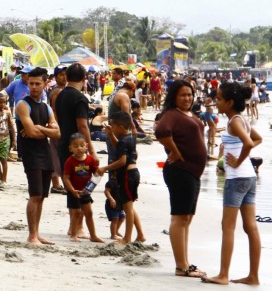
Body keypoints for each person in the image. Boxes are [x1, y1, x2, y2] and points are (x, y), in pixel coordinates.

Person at [202, 82, 262, 285]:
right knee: (250, 227)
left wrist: (237, 160)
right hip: (249, 178)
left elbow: (249, 143)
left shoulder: (234, 122)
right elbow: (258, 138)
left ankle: (223, 274)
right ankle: (253, 276)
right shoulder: (241, 120)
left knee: (227, 226)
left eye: (219, 99)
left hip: (236, 178)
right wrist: (242, 157)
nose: (215, 102)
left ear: (229, 102)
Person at [154, 79, 208, 278]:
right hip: (180, 171)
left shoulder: (189, 114)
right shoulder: (172, 114)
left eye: (189, 94)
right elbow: (161, 132)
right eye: (183, 95)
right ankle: (180, 266)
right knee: (179, 218)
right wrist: (174, 151)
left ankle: (185, 263)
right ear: (174, 97)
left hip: (192, 172)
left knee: (186, 219)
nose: (187, 98)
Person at [16, 67, 60, 245]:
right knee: (34, 195)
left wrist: (40, 128)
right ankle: (32, 235)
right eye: (31, 83)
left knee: (42, 196)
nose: (33, 87)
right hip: (31, 154)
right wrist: (45, 129)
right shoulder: (22, 105)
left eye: (37, 84)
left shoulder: (46, 107)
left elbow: (57, 133)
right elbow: (31, 132)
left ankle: (37, 232)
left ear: (45, 84)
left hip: (45, 153)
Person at [97, 112, 145, 245]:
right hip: (133, 173)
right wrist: (111, 134)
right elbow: (119, 146)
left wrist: (105, 168)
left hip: (127, 176)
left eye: (113, 126)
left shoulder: (125, 140)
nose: (111, 127)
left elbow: (122, 161)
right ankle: (140, 235)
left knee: (127, 208)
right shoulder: (129, 138)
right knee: (128, 205)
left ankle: (127, 238)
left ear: (121, 126)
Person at [55, 63, 98, 173]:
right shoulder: (80, 98)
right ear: (84, 78)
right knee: (79, 182)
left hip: (63, 145)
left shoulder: (60, 95)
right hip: (77, 150)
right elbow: (82, 125)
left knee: (68, 181)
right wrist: (92, 151)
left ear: (67, 77)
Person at [62, 133, 104, 243]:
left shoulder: (90, 160)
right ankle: (73, 234)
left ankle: (93, 235)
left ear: (86, 146)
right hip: (73, 191)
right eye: (75, 146)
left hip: (85, 192)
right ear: (70, 148)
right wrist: (71, 190)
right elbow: (66, 178)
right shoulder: (69, 162)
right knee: (76, 213)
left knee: (89, 213)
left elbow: (96, 172)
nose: (79, 148)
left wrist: (100, 172)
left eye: (81, 145)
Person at [47, 65, 68, 194]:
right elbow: (54, 111)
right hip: (58, 128)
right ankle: (61, 184)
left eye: (66, 74)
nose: (64, 77)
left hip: (55, 128)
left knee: (55, 155)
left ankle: (56, 184)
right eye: (61, 75)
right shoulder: (58, 91)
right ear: (55, 77)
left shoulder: (58, 90)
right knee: (59, 156)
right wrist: (58, 128)